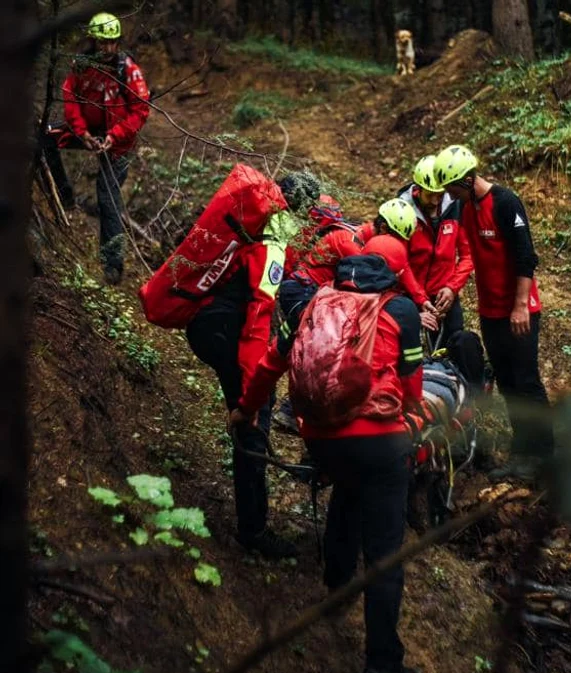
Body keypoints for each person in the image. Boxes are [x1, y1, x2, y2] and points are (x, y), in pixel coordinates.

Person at [229, 235, 424, 673]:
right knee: (384, 553)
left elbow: (271, 363)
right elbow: (412, 384)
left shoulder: (316, 304)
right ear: (395, 272)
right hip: (380, 443)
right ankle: (382, 667)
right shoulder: (400, 311)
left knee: (347, 489)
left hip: (322, 438)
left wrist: (245, 408)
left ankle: (337, 586)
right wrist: (411, 418)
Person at [185, 172, 319, 559]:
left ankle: (252, 520)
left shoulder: (256, 230)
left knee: (248, 418)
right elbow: (257, 326)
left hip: (210, 326)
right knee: (252, 426)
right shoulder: (269, 249)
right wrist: (250, 398)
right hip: (226, 334)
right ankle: (253, 529)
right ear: (296, 212)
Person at [433, 145, 554, 480]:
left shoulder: (505, 203)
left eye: (452, 188)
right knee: (509, 384)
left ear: (469, 179)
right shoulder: (466, 206)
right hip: (491, 310)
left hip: (518, 310)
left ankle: (544, 457)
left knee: (526, 382)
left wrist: (519, 307)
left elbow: (526, 257)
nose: (449, 196)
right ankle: (522, 456)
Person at [272, 198, 438, 432]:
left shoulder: (372, 243)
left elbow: (402, 268)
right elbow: (370, 291)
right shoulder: (352, 245)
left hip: (322, 292)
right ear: (382, 228)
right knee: (320, 347)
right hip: (302, 290)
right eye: (396, 238)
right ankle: (292, 409)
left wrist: (422, 301)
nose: (398, 244)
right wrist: (408, 315)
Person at [43, 13, 150, 285]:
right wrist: (82, 133)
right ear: (93, 41)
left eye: (112, 42)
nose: (108, 48)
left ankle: (113, 265)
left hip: (117, 142)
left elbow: (140, 111)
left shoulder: (128, 69)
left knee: (107, 196)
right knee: (43, 138)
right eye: (103, 42)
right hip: (86, 133)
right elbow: (70, 99)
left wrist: (114, 136)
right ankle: (65, 197)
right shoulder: (81, 66)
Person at [399, 155, 474, 345]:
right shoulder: (403, 211)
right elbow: (400, 261)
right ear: (417, 189)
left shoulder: (456, 206)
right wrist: (419, 298)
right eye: (429, 195)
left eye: (439, 195)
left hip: (444, 292)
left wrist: (452, 288)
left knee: (454, 342)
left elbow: (468, 255)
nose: (434, 201)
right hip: (409, 291)